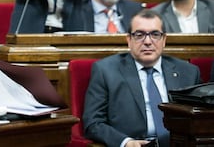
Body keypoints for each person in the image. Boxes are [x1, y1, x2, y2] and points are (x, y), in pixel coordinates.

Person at [83, 9, 201, 147]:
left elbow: (202, 119)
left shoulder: (188, 72)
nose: (147, 42)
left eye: (155, 34)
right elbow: (93, 123)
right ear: (129, 40)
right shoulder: (106, 70)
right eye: (139, 35)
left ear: (164, 40)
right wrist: (125, 142)